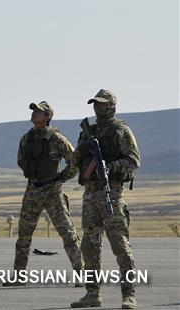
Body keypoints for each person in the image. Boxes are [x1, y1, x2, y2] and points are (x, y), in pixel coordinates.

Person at [71, 90, 141, 310]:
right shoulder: (87, 132)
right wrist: (82, 152)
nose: (97, 107)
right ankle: (92, 293)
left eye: (101, 104)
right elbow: (75, 163)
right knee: (89, 247)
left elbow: (133, 160)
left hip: (112, 192)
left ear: (111, 106)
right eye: (95, 103)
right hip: (90, 194)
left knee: (120, 245)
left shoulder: (121, 131)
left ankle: (128, 295)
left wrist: (109, 167)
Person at [5, 101, 82, 285]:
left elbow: (74, 160)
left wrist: (62, 177)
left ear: (47, 116)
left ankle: (82, 275)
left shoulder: (57, 139)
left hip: (52, 191)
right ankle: (18, 276)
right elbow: (20, 160)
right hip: (33, 189)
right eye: (33, 111)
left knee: (68, 233)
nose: (34, 114)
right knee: (24, 235)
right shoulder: (26, 138)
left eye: (38, 111)